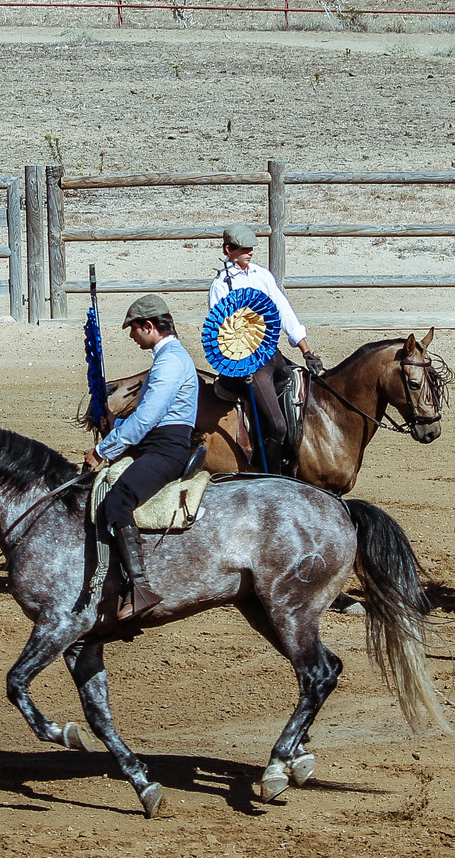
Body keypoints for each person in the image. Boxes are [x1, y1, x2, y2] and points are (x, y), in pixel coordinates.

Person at [84, 295, 200, 620]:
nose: (131, 336)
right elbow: (146, 421)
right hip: (156, 444)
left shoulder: (170, 361)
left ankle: (139, 588)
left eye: (133, 329)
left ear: (149, 326)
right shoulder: (166, 359)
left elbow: (147, 419)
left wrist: (102, 450)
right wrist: (113, 421)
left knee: (117, 502)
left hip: (165, 450)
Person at [207, 223, 321, 471]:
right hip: (247, 363)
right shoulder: (221, 287)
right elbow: (220, 331)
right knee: (277, 424)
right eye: (244, 248)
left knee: (308, 389)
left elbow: (284, 310)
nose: (250, 252)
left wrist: (306, 350)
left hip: (272, 353)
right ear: (229, 249)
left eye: (251, 248)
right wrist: (241, 363)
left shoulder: (262, 276)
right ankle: (269, 475)